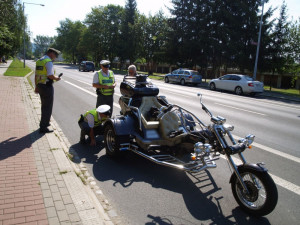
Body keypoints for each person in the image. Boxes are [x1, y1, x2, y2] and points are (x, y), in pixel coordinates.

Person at [35, 48, 61, 133]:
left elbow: (36, 74)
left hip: (40, 85)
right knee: (47, 107)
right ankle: (44, 127)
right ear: (51, 53)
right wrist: (56, 78)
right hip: (47, 86)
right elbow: (50, 75)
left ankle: (44, 122)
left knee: (44, 106)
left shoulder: (40, 60)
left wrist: (36, 86)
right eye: (55, 55)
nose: (55, 57)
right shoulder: (48, 61)